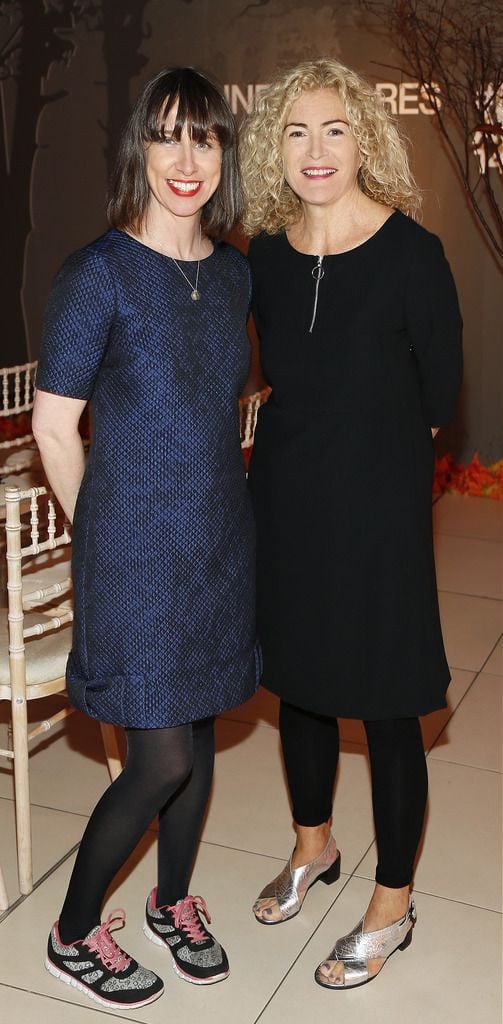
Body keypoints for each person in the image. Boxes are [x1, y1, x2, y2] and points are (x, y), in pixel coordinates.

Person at [33, 66, 260, 1010]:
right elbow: (54, 426)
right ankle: (73, 930)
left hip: (218, 543)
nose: (184, 159)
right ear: (140, 148)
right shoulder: (98, 273)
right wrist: (107, 538)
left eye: (203, 139)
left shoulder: (235, 271)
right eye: (165, 136)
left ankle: (171, 902)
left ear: (221, 155)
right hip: (131, 554)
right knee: (160, 755)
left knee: (198, 737)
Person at [239, 58, 462, 990]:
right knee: (299, 685)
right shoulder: (261, 256)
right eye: (296, 131)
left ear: (363, 138)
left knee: (386, 697)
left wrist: (378, 473)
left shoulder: (413, 253)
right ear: (273, 149)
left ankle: (393, 900)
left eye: (334, 129)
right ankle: (312, 845)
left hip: (375, 510)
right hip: (285, 500)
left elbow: (441, 395)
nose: (316, 150)